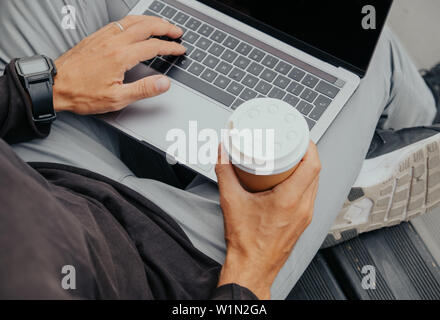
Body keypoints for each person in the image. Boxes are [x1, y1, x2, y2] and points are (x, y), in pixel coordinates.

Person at [0, 0, 439, 299]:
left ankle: (366, 144)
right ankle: (411, 119)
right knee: (369, 52)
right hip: (164, 266)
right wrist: (251, 273)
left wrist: (40, 89)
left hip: (35, 165)